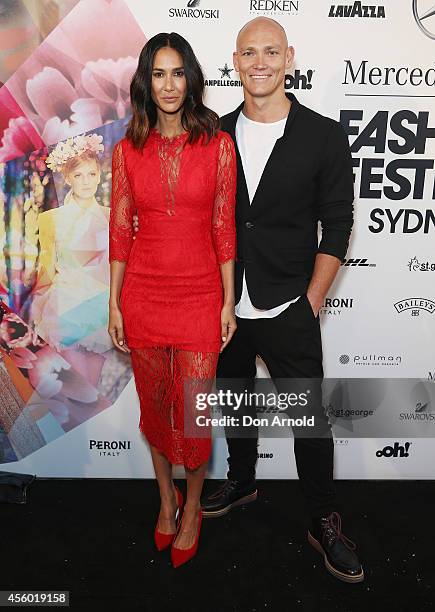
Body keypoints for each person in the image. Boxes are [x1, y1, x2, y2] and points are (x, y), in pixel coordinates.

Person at [198, 17, 364, 583]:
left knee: (310, 422)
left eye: (271, 52)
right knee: (234, 399)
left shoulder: (322, 135)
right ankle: (243, 479)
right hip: (225, 306)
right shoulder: (214, 134)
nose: (260, 62)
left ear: (289, 57)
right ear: (236, 61)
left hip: (289, 304)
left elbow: (338, 224)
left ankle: (323, 520)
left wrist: (311, 301)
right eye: (250, 53)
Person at [108, 32, 237, 569]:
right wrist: (114, 304)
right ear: (146, 80)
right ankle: (165, 502)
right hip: (143, 295)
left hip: (200, 295)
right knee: (156, 408)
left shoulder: (217, 145)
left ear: (191, 78)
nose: (168, 84)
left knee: (193, 413)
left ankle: (192, 513)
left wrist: (228, 302)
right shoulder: (126, 149)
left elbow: (223, 227)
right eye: (158, 74)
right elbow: (119, 233)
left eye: (177, 72)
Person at [31, 135, 114, 370]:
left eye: (91, 174)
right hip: (67, 306)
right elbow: (46, 266)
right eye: (78, 175)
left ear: (99, 175)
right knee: (73, 382)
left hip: (104, 307)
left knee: (95, 377)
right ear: (67, 178)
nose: (86, 182)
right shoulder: (50, 219)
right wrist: (38, 311)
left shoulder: (112, 217)